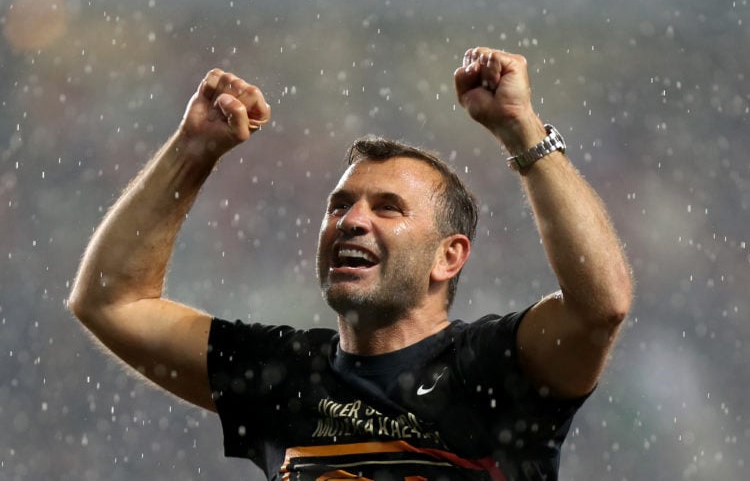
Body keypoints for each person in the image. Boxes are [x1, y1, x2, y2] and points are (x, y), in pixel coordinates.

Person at [68, 46, 632, 480]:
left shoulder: (490, 369)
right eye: (339, 205)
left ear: (449, 256)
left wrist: (522, 130)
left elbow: (599, 307)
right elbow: (112, 301)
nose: (352, 221)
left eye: (388, 208)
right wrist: (192, 151)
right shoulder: (285, 374)